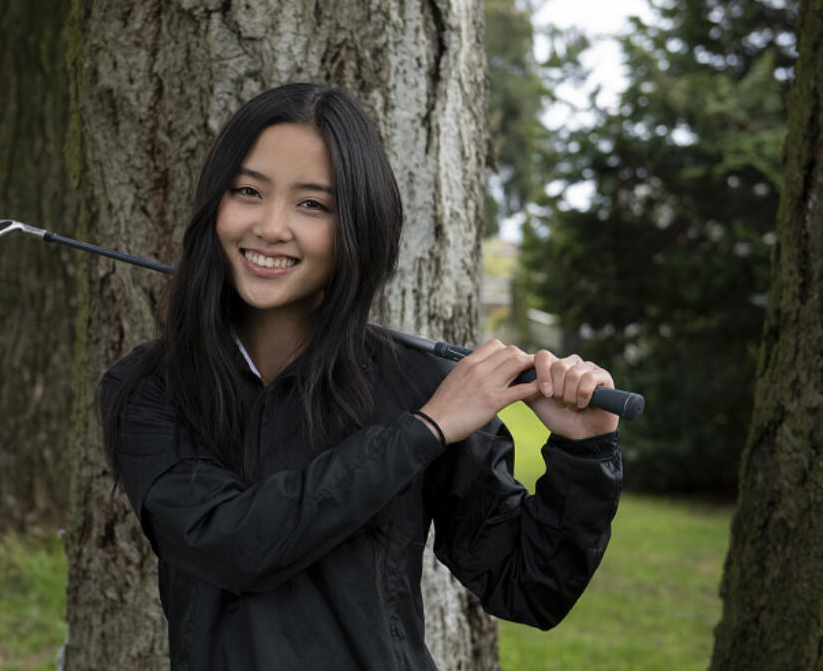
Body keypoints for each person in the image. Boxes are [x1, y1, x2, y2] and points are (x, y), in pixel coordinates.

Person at [99, 83, 622, 670]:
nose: (271, 226)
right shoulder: (150, 387)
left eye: (312, 205)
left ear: (358, 228)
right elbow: (227, 544)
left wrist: (585, 451)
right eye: (247, 192)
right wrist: (422, 432)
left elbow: (530, 587)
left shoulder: (420, 384)